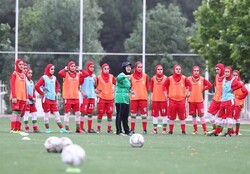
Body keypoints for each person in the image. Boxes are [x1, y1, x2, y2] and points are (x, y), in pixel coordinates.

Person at [208, 66, 242, 136]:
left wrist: (233, 90)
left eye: (228, 72)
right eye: (225, 72)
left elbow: (240, 85)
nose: (226, 73)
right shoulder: (224, 79)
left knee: (229, 117)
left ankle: (229, 133)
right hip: (223, 100)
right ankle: (216, 132)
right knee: (220, 117)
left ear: (230, 73)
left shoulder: (233, 79)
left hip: (230, 101)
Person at [35, 64, 69, 133]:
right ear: (48, 69)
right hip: (46, 99)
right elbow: (37, 86)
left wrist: (55, 92)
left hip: (53, 99)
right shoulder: (44, 78)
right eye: (51, 69)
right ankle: (47, 129)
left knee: (56, 114)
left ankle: (61, 129)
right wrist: (42, 93)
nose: (53, 70)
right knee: (46, 114)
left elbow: (58, 85)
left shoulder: (54, 78)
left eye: (53, 69)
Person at [58, 61, 88, 133]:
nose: (73, 67)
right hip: (68, 98)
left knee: (78, 113)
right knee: (67, 113)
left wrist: (80, 69)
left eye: (74, 66)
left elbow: (86, 74)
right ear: (68, 67)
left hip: (76, 97)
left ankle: (78, 129)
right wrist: (65, 69)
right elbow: (59, 73)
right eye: (71, 66)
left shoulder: (78, 74)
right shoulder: (65, 74)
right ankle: (67, 128)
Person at [163, 64, 192, 134]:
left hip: (182, 101)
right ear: (174, 70)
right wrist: (166, 95)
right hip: (172, 100)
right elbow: (164, 86)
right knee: (171, 117)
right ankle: (170, 131)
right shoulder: (169, 78)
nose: (178, 70)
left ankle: (183, 131)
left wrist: (189, 93)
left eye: (179, 69)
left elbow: (190, 85)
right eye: (177, 69)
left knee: (182, 117)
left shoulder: (184, 78)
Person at [187, 66, 213, 135]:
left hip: (199, 100)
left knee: (201, 115)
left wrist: (203, 89)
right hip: (191, 100)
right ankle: (195, 130)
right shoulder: (188, 79)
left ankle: (205, 130)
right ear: (192, 72)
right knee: (193, 115)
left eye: (197, 71)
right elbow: (184, 86)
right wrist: (187, 93)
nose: (196, 72)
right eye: (194, 71)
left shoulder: (202, 79)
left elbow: (210, 85)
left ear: (199, 71)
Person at [129, 61, 150, 135]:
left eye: (141, 67)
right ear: (135, 67)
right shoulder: (131, 77)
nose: (140, 68)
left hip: (143, 98)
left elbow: (147, 88)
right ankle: (132, 130)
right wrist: (132, 93)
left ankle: (145, 130)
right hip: (134, 99)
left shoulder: (145, 76)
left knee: (144, 115)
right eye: (138, 67)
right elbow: (129, 87)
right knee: (133, 115)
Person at [95, 63, 116, 133]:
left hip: (110, 98)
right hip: (101, 98)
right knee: (100, 113)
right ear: (102, 69)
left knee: (109, 113)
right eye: (105, 69)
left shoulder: (111, 77)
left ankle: (109, 129)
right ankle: (98, 129)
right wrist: (96, 91)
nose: (107, 70)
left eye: (108, 69)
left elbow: (116, 84)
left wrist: (114, 89)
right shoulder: (98, 77)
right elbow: (94, 87)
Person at [9, 59, 28, 135]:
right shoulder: (14, 74)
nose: (21, 66)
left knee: (20, 113)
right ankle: (13, 128)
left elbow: (25, 87)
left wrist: (26, 97)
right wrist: (14, 96)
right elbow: (12, 85)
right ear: (17, 65)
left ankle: (18, 128)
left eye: (22, 64)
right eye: (19, 64)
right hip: (16, 96)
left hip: (23, 97)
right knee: (15, 112)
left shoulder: (23, 75)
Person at [79, 61, 97, 133]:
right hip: (85, 97)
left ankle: (90, 128)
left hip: (92, 97)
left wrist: (96, 90)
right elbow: (78, 85)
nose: (92, 68)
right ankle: (81, 128)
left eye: (93, 67)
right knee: (83, 112)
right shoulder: (83, 75)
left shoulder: (94, 76)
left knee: (90, 112)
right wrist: (82, 92)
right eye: (90, 67)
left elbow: (95, 87)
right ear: (87, 67)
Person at [115, 61, 132, 136]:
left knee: (125, 116)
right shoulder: (122, 75)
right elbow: (118, 79)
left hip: (126, 98)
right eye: (127, 66)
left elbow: (126, 87)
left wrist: (131, 91)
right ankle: (119, 131)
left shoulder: (127, 78)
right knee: (120, 115)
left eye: (129, 66)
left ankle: (127, 131)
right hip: (120, 98)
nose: (128, 68)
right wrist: (125, 76)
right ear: (123, 68)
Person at [150, 65, 168, 134]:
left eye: (161, 69)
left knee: (164, 115)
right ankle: (155, 130)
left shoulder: (166, 78)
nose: (160, 70)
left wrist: (167, 96)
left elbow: (168, 88)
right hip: (155, 100)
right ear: (156, 70)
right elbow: (151, 89)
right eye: (158, 69)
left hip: (163, 100)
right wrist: (152, 98)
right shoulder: (153, 78)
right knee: (155, 115)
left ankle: (164, 130)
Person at [206, 63, 225, 130]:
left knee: (222, 116)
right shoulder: (217, 76)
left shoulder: (226, 77)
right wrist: (216, 93)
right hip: (216, 99)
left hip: (223, 100)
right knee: (209, 114)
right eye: (216, 69)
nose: (216, 71)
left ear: (222, 69)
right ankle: (214, 128)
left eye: (218, 69)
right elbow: (215, 85)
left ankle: (221, 130)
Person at [23, 68, 41, 133]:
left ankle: (35, 128)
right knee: (26, 114)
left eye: (31, 73)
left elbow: (33, 91)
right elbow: (25, 91)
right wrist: (30, 98)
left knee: (34, 113)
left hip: (32, 101)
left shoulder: (32, 81)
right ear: (26, 73)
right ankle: (27, 128)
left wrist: (34, 98)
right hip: (27, 100)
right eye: (29, 73)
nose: (30, 74)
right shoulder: (24, 81)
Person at [232, 70, 248, 135]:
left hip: (238, 102)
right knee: (231, 116)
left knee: (236, 117)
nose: (235, 76)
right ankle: (233, 131)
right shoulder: (231, 83)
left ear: (238, 76)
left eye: (236, 75)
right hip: (232, 101)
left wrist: (239, 98)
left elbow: (246, 92)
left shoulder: (241, 83)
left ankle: (237, 131)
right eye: (234, 75)